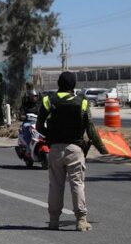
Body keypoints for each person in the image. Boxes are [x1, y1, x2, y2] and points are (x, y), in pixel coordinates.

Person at [37, 71, 108, 231]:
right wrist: (102, 148)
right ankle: (81, 221)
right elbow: (90, 128)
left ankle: (54, 221)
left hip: (55, 149)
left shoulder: (48, 100)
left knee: (55, 185)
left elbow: (39, 126)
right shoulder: (82, 102)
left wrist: (51, 137)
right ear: (73, 85)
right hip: (76, 149)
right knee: (77, 184)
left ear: (59, 84)